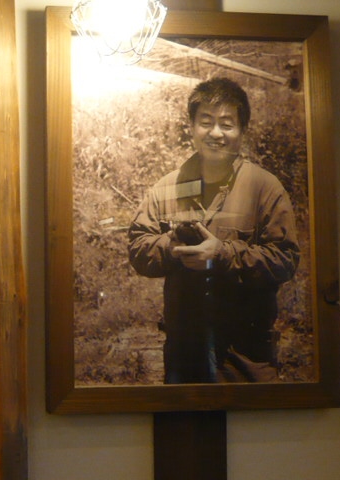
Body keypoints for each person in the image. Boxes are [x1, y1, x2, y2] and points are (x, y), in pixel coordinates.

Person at [127, 77, 300, 384]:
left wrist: (221, 254)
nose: (216, 133)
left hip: (246, 358)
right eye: (206, 122)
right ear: (191, 127)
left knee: (257, 417)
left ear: (242, 130)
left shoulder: (265, 188)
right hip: (184, 355)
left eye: (227, 124)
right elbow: (139, 247)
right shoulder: (166, 188)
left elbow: (285, 259)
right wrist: (171, 248)